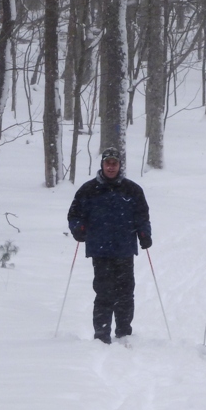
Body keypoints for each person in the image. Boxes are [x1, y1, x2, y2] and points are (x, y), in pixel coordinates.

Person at [68, 147, 152, 344]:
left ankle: (123, 332)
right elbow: (74, 215)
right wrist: (78, 228)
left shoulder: (132, 189)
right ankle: (101, 334)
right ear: (102, 165)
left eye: (115, 163)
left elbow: (142, 216)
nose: (111, 167)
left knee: (125, 292)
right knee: (104, 292)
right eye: (108, 163)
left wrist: (144, 233)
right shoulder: (88, 190)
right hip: (100, 249)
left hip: (124, 249)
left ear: (120, 165)